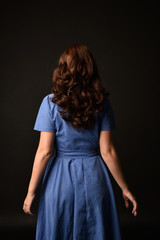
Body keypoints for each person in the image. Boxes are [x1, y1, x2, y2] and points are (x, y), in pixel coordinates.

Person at [23, 44, 138, 240]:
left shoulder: (50, 103)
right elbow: (107, 151)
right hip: (95, 178)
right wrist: (125, 189)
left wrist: (30, 193)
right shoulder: (102, 103)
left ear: (62, 69)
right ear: (90, 69)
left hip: (59, 180)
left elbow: (45, 152)